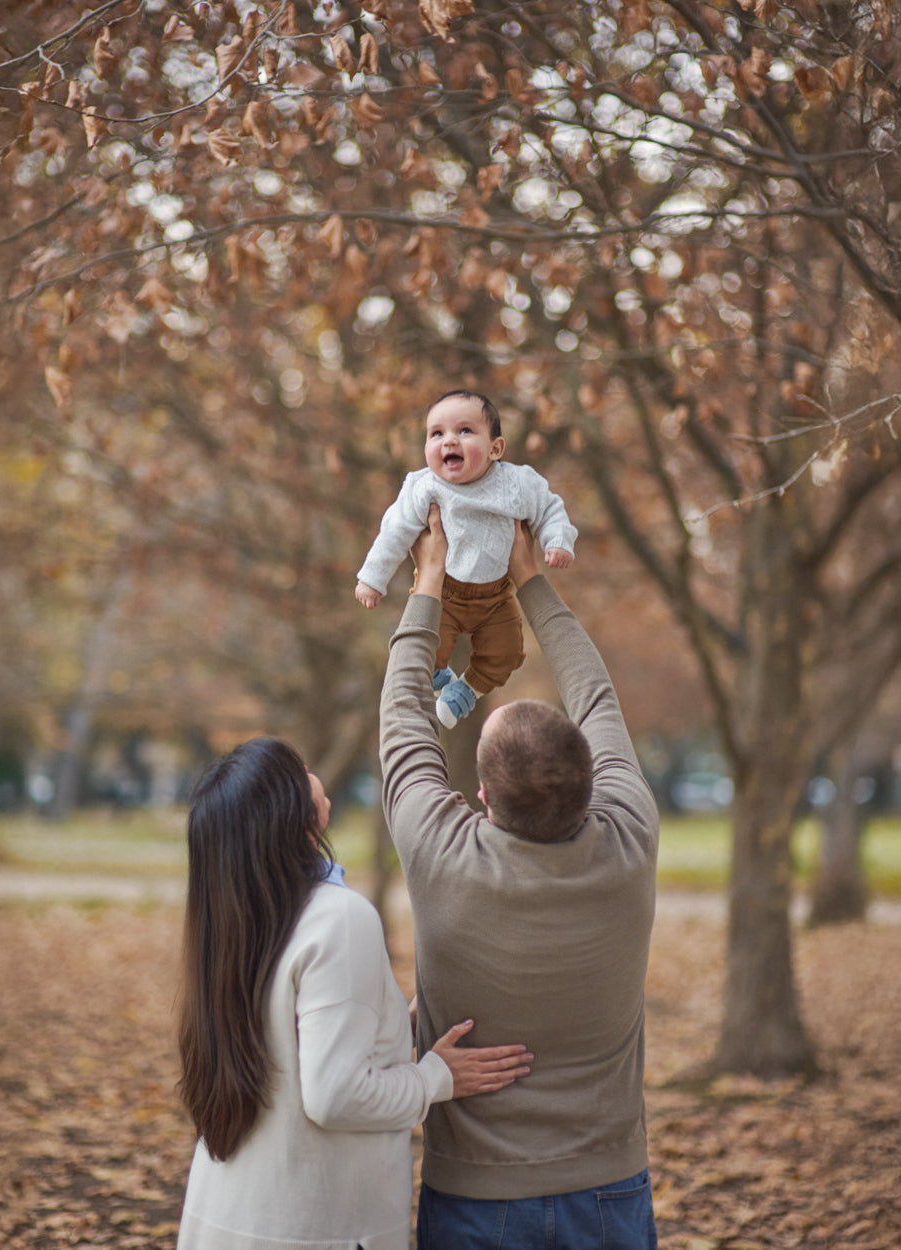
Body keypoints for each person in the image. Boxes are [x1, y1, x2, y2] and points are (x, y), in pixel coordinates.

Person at [379, 508, 659, 1250]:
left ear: (481, 798)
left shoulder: (443, 858)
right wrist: (532, 578)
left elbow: (404, 718)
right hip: (611, 1195)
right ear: (595, 781)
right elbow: (597, 697)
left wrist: (430, 580)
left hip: (476, 1203)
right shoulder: (629, 838)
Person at [176, 736, 533, 1250]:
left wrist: (394, 1023)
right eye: (298, 769)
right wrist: (434, 1077)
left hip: (227, 1216)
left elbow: (287, 1041)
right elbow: (336, 1095)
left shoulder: (233, 923)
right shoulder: (336, 917)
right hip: (311, 1229)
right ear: (294, 819)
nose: (312, 768)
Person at [356, 390, 577, 728]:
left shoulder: (516, 484)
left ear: (495, 448)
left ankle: (467, 690)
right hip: (443, 594)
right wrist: (373, 577)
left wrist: (557, 541)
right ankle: (439, 677)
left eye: (464, 431)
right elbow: (394, 532)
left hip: (496, 596)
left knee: (508, 652)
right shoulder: (423, 487)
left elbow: (550, 508)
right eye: (437, 433)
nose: (449, 441)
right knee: (423, 652)